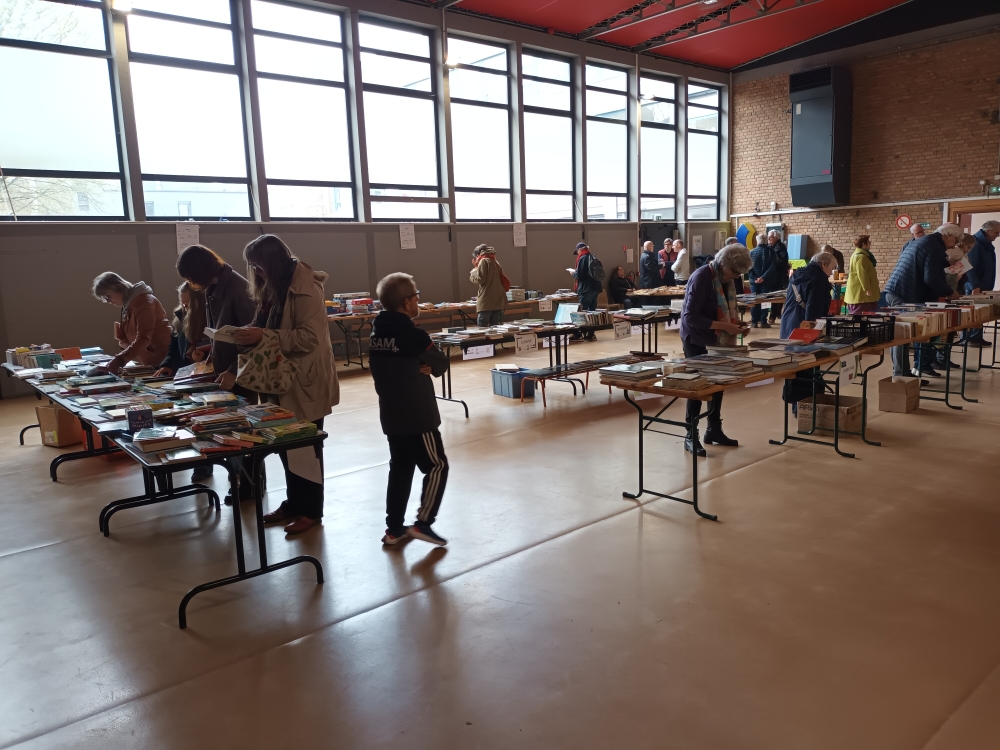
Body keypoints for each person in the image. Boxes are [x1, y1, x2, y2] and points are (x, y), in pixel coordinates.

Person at [233, 234, 339, 536]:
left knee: (306, 449)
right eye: (252, 266)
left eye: (259, 264)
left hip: (304, 381)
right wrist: (249, 332)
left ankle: (311, 511)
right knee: (285, 446)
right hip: (278, 381)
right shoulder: (272, 288)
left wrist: (264, 336)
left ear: (274, 261)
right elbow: (269, 326)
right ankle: (294, 503)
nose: (256, 270)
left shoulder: (306, 289)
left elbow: (309, 338)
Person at [368, 272, 450, 547]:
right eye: (416, 296)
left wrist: (418, 365)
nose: (418, 300)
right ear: (406, 302)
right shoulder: (412, 334)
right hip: (418, 416)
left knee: (401, 468)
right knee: (437, 465)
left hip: (392, 414)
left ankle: (394, 529)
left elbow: (389, 367)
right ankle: (423, 523)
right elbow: (440, 363)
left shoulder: (376, 333)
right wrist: (425, 365)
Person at [177, 244, 260, 505]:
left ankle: (250, 486)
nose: (192, 283)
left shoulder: (238, 289)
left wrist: (234, 370)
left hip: (241, 373)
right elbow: (220, 332)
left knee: (244, 431)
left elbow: (251, 339)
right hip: (223, 371)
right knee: (228, 430)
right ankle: (239, 481)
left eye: (191, 277)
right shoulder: (214, 288)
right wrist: (212, 355)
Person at [678, 243, 752, 456]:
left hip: (717, 339)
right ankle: (690, 434)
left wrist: (736, 324)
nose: (736, 277)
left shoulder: (725, 279)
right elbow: (690, 317)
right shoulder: (702, 278)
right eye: (734, 272)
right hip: (697, 339)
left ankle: (713, 429)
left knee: (719, 383)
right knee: (697, 386)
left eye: (739, 274)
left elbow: (724, 311)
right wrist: (725, 327)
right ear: (723, 264)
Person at [884, 223, 962, 378]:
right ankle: (901, 376)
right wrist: (950, 292)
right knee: (902, 335)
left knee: (904, 334)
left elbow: (929, 271)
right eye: (956, 240)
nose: (955, 244)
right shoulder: (934, 247)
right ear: (948, 235)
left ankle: (907, 373)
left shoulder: (927, 242)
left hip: (900, 291)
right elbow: (931, 278)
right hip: (903, 293)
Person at [156, 282, 214, 483]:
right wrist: (167, 365)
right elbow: (173, 347)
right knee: (190, 422)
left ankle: (213, 464)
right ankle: (201, 464)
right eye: (182, 302)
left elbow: (217, 348)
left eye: (188, 303)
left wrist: (203, 357)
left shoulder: (209, 316)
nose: (184, 306)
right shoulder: (181, 316)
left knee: (206, 423)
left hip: (207, 379)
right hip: (186, 377)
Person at [91, 272, 172, 375]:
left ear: (118, 287)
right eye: (105, 299)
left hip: (164, 361)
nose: (108, 301)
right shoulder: (127, 305)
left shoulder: (144, 303)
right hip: (152, 362)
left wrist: (119, 360)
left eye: (108, 296)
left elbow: (143, 339)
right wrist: (124, 341)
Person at [780, 252, 837, 338]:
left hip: (788, 319)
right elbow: (814, 307)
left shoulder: (797, 274)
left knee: (788, 344)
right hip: (803, 323)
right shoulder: (818, 279)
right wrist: (812, 332)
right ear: (824, 265)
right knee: (801, 345)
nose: (831, 273)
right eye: (832, 268)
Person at [962, 219, 1000, 347]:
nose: (998, 235)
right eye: (996, 232)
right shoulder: (975, 243)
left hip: (983, 285)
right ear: (988, 231)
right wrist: (975, 285)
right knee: (974, 312)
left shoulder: (985, 243)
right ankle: (971, 338)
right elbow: (969, 267)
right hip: (975, 286)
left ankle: (976, 337)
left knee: (980, 312)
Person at [469, 244, 507, 327]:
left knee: (482, 325)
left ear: (478, 254)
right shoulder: (494, 260)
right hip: (497, 298)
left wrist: (473, 274)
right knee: (495, 327)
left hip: (487, 299)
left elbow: (481, 279)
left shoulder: (483, 261)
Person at [570, 242, 601, 341]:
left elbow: (580, 275)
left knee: (581, 312)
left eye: (577, 251)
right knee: (592, 312)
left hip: (586, 288)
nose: (578, 253)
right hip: (595, 288)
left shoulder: (583, 258)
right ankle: (591, 334)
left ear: (580, 249)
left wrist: (573, 273)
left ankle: (578, 334)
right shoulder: (593, 257)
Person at [844, 235, 880, 314]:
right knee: (862, 316)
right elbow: (862, 273)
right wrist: (867, 289)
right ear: (864, 244)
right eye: (869, 242)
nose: (870, 244)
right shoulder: (861, 257)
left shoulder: (859, 255)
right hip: (861, 295)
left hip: (861, 294)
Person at [765, 230, 789, 324]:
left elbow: (783, 262)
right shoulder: (768, 246)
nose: (768, 238)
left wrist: (772, 264)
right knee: (771, 296)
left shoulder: (781, 247)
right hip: (770, 275)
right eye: (768, 236)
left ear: (776, 238)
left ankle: (773, 316)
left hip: (778, 276)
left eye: (771, 237)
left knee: (776, 296)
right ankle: (775, 314)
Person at [749, 233, 772, 329]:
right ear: (766, 240)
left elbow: (749, 267)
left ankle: (754, 321)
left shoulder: (751, 252)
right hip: (766, 281)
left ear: (757, 241)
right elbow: (772, 267)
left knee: (754, 301)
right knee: (765, 301)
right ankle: (763, 322)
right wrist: (763, 277)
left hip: (754, 281)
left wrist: (755, 278)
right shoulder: (771, 251)